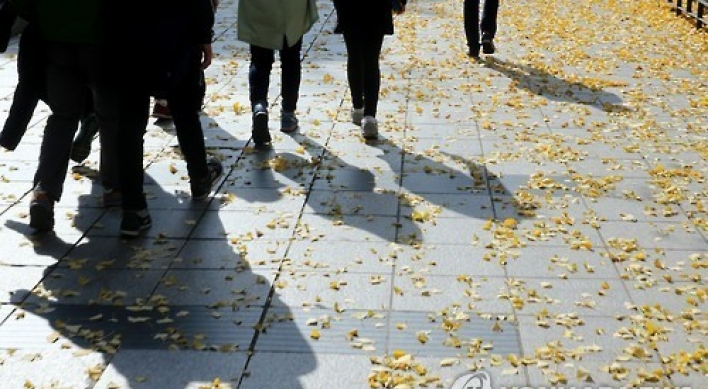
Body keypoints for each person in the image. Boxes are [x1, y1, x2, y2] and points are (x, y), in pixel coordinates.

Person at [112, 0, 222, 237]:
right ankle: (199, 176)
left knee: (130, 125)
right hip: (176, 39)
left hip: (129, 41)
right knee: (185, 113)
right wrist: (204, 36)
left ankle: (133, 209)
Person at [9, 0, 121, 232]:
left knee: (62, 116)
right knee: (110, 116)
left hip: (56, 39)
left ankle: (44, 192)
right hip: (102, 40)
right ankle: (114, 187)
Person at [237, 0, 319, 148]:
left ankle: (259, 105)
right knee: (291, 59)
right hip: (291, 7)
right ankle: (288, 113)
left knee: (259, 61)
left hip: (260, 7)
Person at [333, 0, 406, 140]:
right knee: (371, 59)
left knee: (354, 55)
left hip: (349, 7)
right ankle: (369, 116)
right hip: (377, 7)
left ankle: (358, 106)